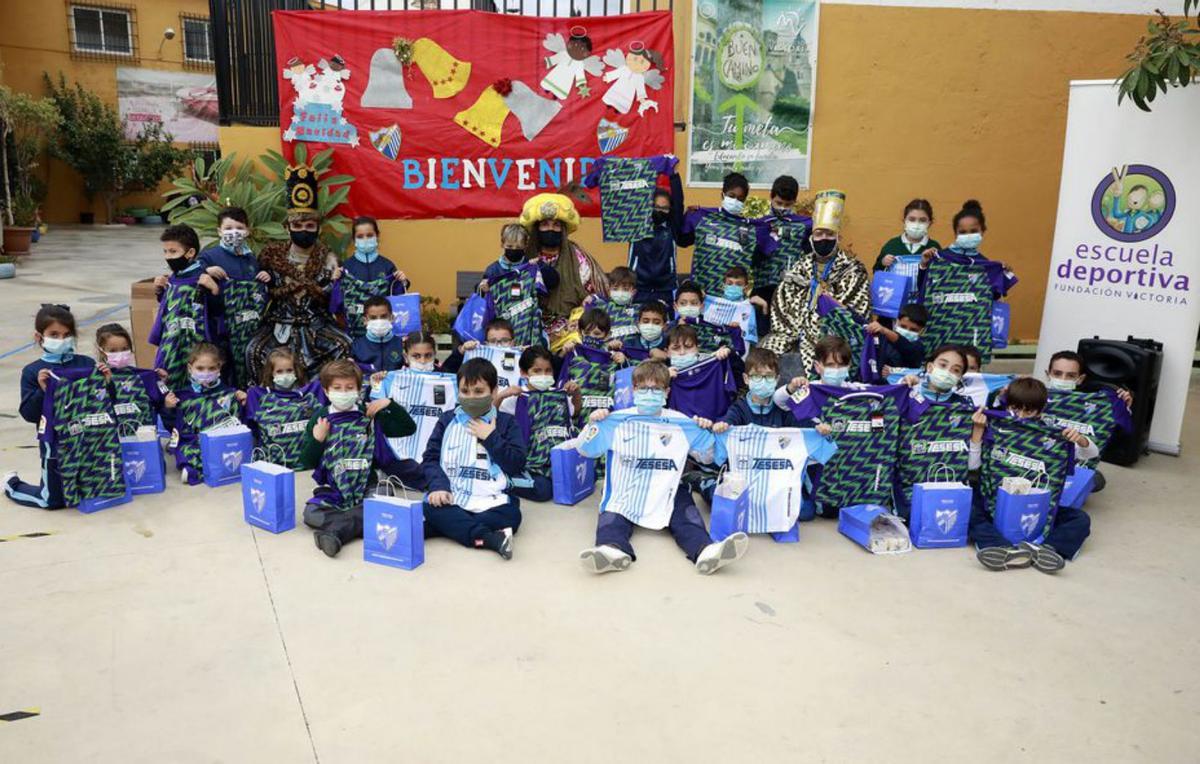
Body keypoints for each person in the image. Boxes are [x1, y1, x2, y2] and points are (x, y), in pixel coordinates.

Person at [576, 360, 750, 575]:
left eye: (656, 389)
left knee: (686, 513)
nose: (650, 393)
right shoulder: (615, 420)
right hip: (626, 489)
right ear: (634, 390)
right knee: (612, 514)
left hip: (667, 489)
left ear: (666, 392)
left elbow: (709, 457)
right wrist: (593, 424)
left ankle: (705, 550)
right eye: (644, 388)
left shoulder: (681, 422)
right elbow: (585, 450)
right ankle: (611, 550)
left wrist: (708, 430)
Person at [968, 377, 1096, 574]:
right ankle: (1000, 548)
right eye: (1015, 408)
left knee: (1079, 518)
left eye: (1029, 411)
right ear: (1007, 403)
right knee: (969, 508)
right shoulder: (994, 424)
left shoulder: (1053, 435)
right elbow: (972, 466)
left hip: (1037, 511)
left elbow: (1091, 455)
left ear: (1041, 409)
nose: (1020, 415)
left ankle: (1047, 550)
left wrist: (1080, 440)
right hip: (993, 503)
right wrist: (977, 433)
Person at [299, 359, 416, 558]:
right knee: (310, 514)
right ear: (327, 391)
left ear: (358, 389)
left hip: (367, 486)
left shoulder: (368, 413)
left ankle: (337, 531)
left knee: (384, 499)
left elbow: (408, 428)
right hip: (334, 490)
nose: (344, 393)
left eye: (349, 387)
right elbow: (307, 461)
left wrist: (390, 404)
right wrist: (317, 439)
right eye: (337, 388)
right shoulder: (320, 418)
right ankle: (360, 521)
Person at [247, 162, 352, 379]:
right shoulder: (271, 255)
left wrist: (335, 284)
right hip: (279, 322)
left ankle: (325, 395)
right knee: (252, 350)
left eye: (309, 227)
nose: (303, 231)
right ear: (288, 228)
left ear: (318, 228)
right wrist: (263, 282)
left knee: (345, 344)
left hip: (316, 322)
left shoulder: (328, 257)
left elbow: (334, 299)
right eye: (298, 227)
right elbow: (256, 291)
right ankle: (261, 398)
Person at [422, 358, 527, 560]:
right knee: (432, 507)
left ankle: (447, 527)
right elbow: (430, 459)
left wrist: (491, 437)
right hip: (451, 497)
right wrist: (438, 486)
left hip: (492, 502)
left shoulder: (506, 423)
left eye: (479, 392)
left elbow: (516, 464)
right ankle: (487, 538)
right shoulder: (447, 420)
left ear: (494, 391)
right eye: (465, 391)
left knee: (513, 516)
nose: (471, 397)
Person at [759, 191, 870, 372]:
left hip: (833, 335)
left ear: (838, 237)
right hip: (793, 332)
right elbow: (781, 303)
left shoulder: (852, 270)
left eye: (829, 234)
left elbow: (855, 312)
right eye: (819, 234)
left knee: (830, 355)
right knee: (766, 352)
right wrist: (796, 329)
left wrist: (819, 321)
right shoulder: (799, 268)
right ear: (811, 238)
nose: (823, 239)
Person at [4, 304, 97, 509]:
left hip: (88, 438)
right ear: (39, 337)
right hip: (54, 440)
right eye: (54, 334)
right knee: (52, 501)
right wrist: (42, 390)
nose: (61, 340)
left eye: (66, 334)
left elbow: (102, 401)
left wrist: (106, 382)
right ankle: (12, 484)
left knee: (91, 493)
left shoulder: (86, 364)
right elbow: (29, 414)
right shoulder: (33, 371)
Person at [917, 200, 1017, 364]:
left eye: (973, 231)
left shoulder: (987, 267)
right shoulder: (939, 259)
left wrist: (1002, 272)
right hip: (938, 336)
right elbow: (922, 291)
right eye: (962, 232)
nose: (967, 235)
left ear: (982, 231)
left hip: (972, 340)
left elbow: (997, 296)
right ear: (955, 233)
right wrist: (924, 265)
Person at [893, 345, 975, 520]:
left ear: (960, 378)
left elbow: (973, 463)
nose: (947, 372)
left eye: (956, 370)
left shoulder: (965, 407)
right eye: (943, 365)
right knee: (915, 518)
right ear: (930, 367)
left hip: (950, 490)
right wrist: (902, 386)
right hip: (910, 487)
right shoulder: (908, 394)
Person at [519, 193, 608, 349]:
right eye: (545, 224)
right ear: (536, 228)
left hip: (569, 329)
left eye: (556, 225)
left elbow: (598, 293)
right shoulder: (522, 257)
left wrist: (589, 302)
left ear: (563, 229)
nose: (551, 229)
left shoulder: (578, 256)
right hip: (528, 326)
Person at [497, 346, 580, 502]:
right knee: (543, 491)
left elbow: (574, 412)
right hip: (530, 463)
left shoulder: (558, 393)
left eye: (548, 370)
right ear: (523, 372)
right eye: (537, 371)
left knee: (586, 475)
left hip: (557, 458)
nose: (544, 375)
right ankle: (506, 481)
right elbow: (492, 419)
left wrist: (576, 393)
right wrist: (501, 396)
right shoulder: (516, 396)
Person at [198, 207, 270, 387]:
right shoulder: (208, 257)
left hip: (247, 329)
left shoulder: (251, 260)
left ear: (247, 231)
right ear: (219, 231)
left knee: (244, 369)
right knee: (222, 367)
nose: (234, 232)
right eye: (228, 228)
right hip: (220, 327)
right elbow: (190, 278)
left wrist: (267, 277)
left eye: (239, 228)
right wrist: (205, 271)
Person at [162, 342, 247, 485]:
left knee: (234, 451)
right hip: (197, 442)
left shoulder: (229, 393)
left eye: (211, 368)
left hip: (223, 440)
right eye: (200, 368)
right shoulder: (183, 396)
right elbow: (173, 427)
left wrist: (244, 403)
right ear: (190, 368)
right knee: (185, 450)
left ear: (219, 368)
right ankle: (198, 468)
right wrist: (169, 408)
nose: (206, 372)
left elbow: (240, 422)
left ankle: (209, 468)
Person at [679, 172, 775, 297]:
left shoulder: (752, 228)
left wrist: (771, 230)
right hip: (701, 296)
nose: (735, 200)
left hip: (733, 299)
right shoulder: (701, 217)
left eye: (740, 198)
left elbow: (762, 258)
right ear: (722, 194)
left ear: (745, 200)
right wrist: (686, 215)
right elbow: (682, 241)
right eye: (732, 195)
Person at [149, 224, 221, 390]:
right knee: (168, 388)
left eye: (173, 252)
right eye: (165, 252)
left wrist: (214, 290)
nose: (168, 257)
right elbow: (171, 306)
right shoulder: (173, 277)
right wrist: (160, 291)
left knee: (199, 386)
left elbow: (218, 311)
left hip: (198, 348)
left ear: (190, 253)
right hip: (171, 346)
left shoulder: (204, 277)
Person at [245, 347, 324, 469]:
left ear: (296, 371)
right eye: (279, 371)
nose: (285, 375)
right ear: (271, 373)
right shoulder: (258, 396)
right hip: (274, 468)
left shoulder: (311, 394)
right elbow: (252, 431)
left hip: (307, 467)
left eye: (289, 370)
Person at [332, 216, 408, 340]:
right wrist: (335, 280)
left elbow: (398, 298)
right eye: (360, 236)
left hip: (384, 333)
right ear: (354, 240)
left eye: (369, 235)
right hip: (354, 335)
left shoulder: (387, 265)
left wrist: (402, 281)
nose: (365, 239)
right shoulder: (346, 267)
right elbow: (336, 304)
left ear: (377, 236)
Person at [752, 175, 812, 334]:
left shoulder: (805, 225)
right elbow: (751, 258)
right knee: (761, 334)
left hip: (791, 291)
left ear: (794, 201)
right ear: (771, 197)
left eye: (788, 204)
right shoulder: (759, 224)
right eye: (779, 203)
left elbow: (811, 254)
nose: (783, 207)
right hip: (763, 288)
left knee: (788, 333)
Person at [477, 223, 550, 349]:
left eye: (518, 247)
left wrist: (540, 265)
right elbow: (484, 299)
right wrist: (484, 289)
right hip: (500, 326)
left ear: (525, 246)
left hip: (527, 325)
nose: (514, 250)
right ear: (502, 244)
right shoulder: (493, 270)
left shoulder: (530, 267)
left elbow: (554, 280)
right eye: (509, 246)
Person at [94, 323, 164, 435]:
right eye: (113, 351)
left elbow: (165, 406)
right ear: (101, 351)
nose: (120, 354)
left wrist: (163, 382)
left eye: (124, 349)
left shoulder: (144, 377)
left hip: (145, 442)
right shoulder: (95, 380)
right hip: (111, 444)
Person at [558, 308, 625, 425]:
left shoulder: (615, 357)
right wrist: (562, 353)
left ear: (607, 334)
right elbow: (560, 386)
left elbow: (625, 390)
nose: (592, 337)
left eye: (597, 334)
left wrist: (623, 362)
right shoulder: (572, 353)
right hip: (578, 422)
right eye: (587, 333)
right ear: (579, 332)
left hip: (607, 422)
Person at [628, 175, 684, 308]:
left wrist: (674, 175)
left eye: (664, 208)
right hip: (638, 289)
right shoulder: (636, 225)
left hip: (666, 289)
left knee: (666, 326)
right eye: (656, 206)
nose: (660, 211)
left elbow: (679, 201)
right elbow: (631, 197)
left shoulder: (672, 227)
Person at [710, 347, 794, 430]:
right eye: (756, 376)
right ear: (746, 379)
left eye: (769, 376)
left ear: (777, 379)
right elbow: (727, 421)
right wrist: (721, 425)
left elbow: (802, 428)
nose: (763, 381)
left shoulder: (783, 407)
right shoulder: (739, 409)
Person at [873, 199, 941, 272]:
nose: (917, 224)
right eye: (912, 219)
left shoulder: (934, 247)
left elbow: (940, 275)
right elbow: (876, 271)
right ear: (904, 220)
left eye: (922, 220)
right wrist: (882, 263)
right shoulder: (892, 245)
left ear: (929, 223)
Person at [352, 296, 406, 381]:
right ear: (365, 320)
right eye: (373, 318)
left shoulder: (401, 344)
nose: (379, 321)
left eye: (384, 316)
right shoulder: (356, 346)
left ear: (392, 318)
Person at [866, 303, 928, 374]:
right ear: (897, 322)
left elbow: (906, 347)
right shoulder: (884, 340)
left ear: (922, 331)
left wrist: (884, 331)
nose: (907, 331)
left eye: (913, 330)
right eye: (903, 326)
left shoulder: (918, 348)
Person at [585, 266, 639, 343]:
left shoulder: (639, 310)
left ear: (633, 292)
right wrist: (593, 297)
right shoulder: (601, 306)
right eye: (615, 288)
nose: (620, 292)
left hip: (629, 352)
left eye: (625, 289)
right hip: (604, 350)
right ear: (609, 290)